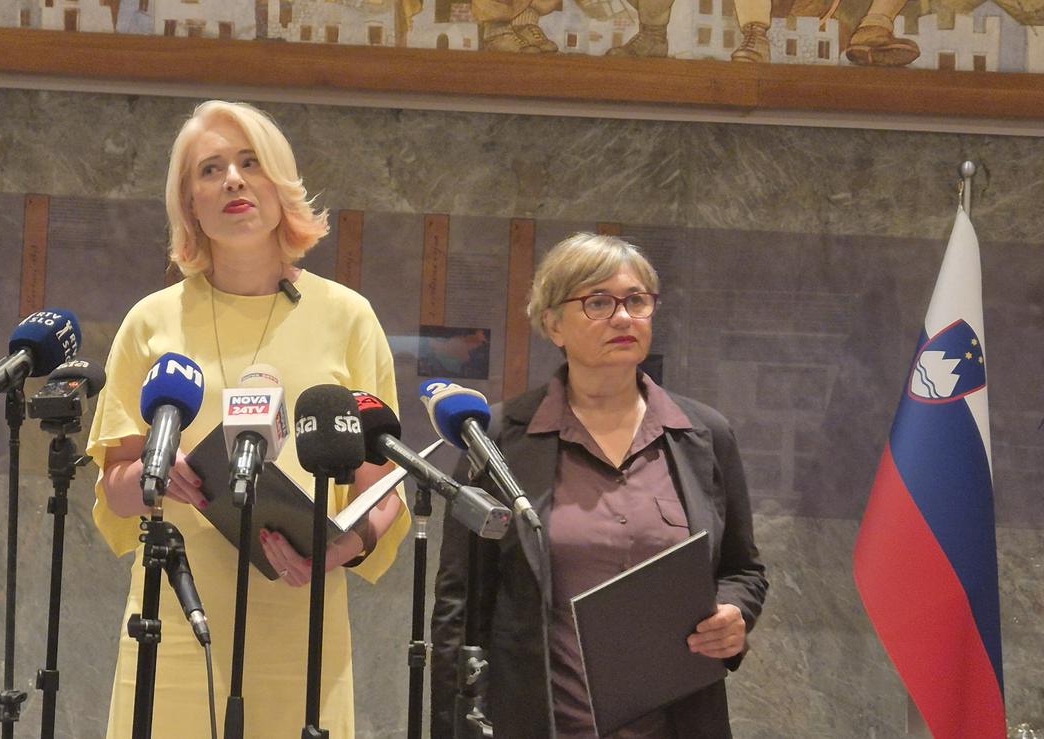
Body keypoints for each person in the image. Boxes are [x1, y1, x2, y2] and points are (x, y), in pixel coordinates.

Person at [86, 100, 411, 737]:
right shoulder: (150, 322)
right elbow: (113, 490)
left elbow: (383, 486)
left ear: (281, 183)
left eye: (250, 163)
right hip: (177, 619)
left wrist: (346, 546)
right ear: (190, 202)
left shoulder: (348, 318)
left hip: (301, 620)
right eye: (210, 170)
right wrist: (157, 475)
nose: (233, 180)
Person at [431, 233, 767, 738]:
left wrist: (734, 613)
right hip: (542, 723)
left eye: (637, 301)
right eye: (599, 303)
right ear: (553, 324)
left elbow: (743, 569)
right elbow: (459, 606)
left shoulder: (704, 434)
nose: (624, 317)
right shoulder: (497, 439)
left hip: (677, 723)